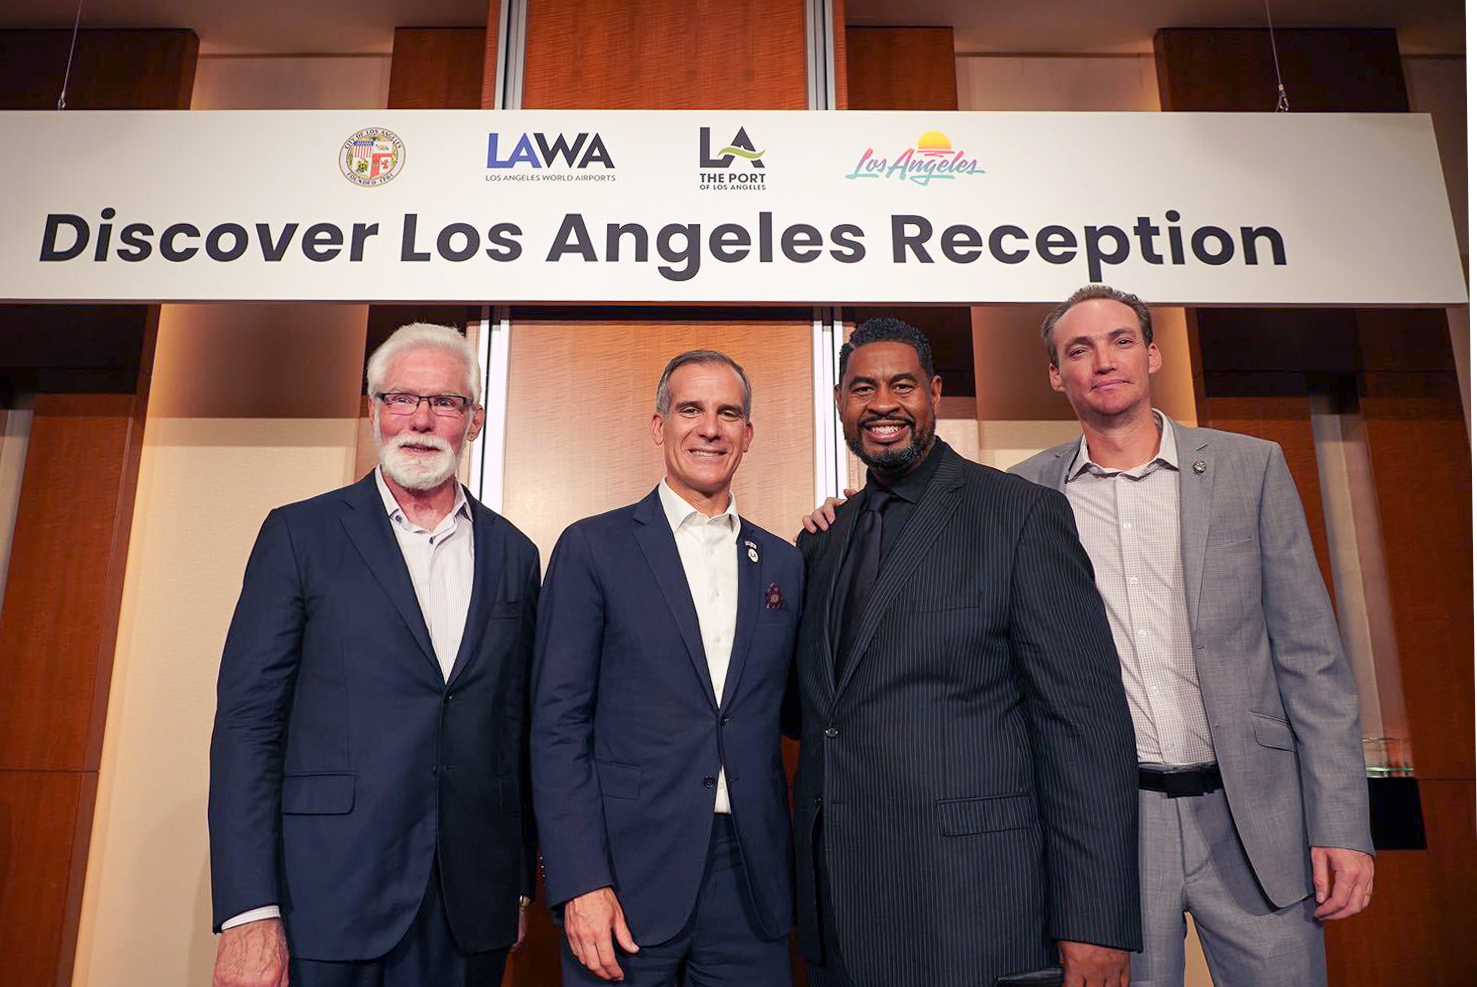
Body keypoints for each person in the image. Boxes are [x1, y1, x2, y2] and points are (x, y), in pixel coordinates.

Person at [1007, 285, 1374, 986]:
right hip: (1113, 825)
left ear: (1151, 353)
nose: (1101, 361)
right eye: (1077, 349)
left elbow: (1311, 660)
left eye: (1119, 340)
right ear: (1056, 374)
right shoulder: (1023, 494)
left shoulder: (1250, 467)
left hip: (1253, 817)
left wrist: (1341, 822)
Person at [794, 318, 1141, 987]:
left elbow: (1085, 728)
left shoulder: (1018, 515)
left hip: (973, 912)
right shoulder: (821, 543)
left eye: (902, 384)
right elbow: (812, 712)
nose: (882, 403)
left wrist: (1095, 919)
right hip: (839, 919)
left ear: (934, 393)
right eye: (861, 387)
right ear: (840, 401)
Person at [208, 323, 540, 987]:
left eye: (444, 403)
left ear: (472, 421)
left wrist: (517, 883)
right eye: (400, 398)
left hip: (468, 906)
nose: (420, 418)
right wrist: (249, 908)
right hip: (325, 898)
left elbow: (516, 729)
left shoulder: (515, 552)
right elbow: (248, 725)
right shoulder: (299, 534)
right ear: (372, 409)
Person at [531, 350, 802, 987]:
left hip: (751, 885)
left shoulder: (786, 563)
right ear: (659, 426)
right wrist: (580, 881)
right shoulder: (592, 548)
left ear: (748, 435)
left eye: (728, 413)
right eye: (691, 409)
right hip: (623, 880)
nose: (710, 428)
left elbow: (794, 710)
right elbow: (556, 729)